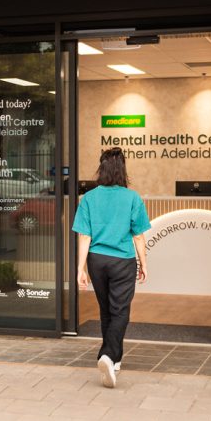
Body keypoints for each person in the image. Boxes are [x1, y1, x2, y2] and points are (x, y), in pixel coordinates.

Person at [73, 146, 151, 388]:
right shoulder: (132, 198)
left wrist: (80, 268)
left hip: (97, 261)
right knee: (120, 311)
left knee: (106, 309)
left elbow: (84, 236)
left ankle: (115, 360)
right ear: (122, 170)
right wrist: (144, 263)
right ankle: (107, 355)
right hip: (122, 261)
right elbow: (138, 236)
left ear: (101, 169)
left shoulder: (89, 198)